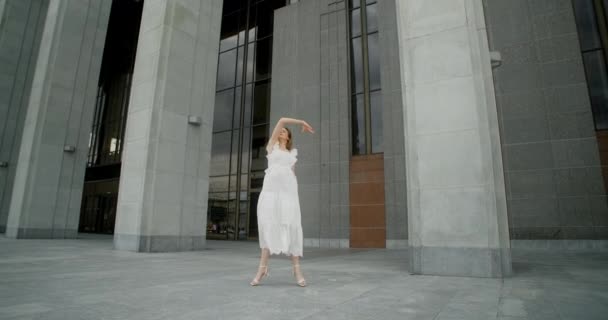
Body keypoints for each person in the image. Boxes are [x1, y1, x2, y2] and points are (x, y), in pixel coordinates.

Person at [250, 117, 314, 287]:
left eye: (284, 131)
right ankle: (262, 269)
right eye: (280, 130)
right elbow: (282, 120)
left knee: (291, 227)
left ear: (287, 137)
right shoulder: (271, 147)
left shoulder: (292, 155)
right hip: (271, 194)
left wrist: (294, 199)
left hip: (288, 196)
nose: (281, 131)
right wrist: (301, 122)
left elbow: (293, 177)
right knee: (269, 227)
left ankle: (297, 269)